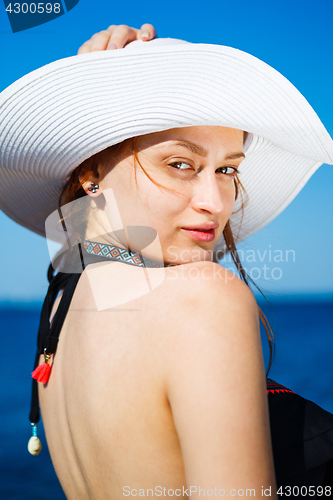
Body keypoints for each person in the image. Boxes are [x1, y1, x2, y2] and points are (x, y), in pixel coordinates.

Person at [1, 23, 333, 500]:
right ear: (91, 171)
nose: (215, 202)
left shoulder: (63, 305)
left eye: (227, 170)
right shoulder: (203, 297)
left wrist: (102, 87)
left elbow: (88, 231)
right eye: (180, 164)